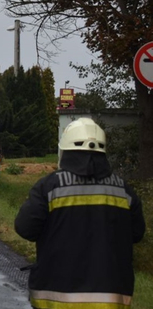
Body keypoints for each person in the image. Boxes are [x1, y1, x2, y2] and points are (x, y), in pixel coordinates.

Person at [15, 118, 145, 309]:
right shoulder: (124, 191)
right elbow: (137, 233)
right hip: (111, 298)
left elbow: (25, 228)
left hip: (55, 296)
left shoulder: (48, 187)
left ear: (65, 151)